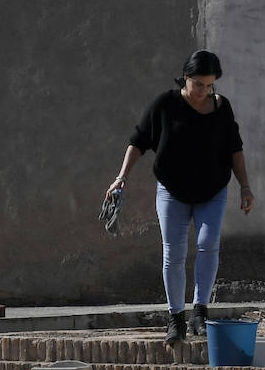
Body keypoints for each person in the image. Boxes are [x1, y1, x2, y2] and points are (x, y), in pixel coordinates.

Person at [106, 50, 255, 347]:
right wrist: (122, 177)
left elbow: (234, 149)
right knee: (173, 253)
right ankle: (176, 318)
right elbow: (137, 142)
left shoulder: (222, 108)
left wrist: (245, 186)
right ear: (185, 77)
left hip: (212, 191)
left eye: (210, 85)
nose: (204, 91)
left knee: (208, 244)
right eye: (199, 84)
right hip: (172, 192)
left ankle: (200, 310)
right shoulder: (165, 104)